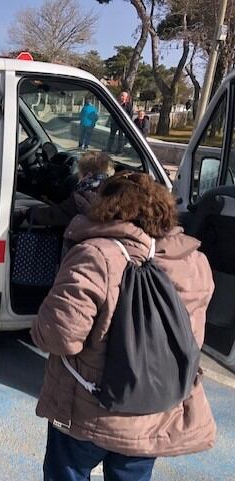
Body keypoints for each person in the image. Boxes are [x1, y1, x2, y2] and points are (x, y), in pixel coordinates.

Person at [31, 172, 216, 481]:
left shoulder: (95, 255)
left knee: (68, 472)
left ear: (107, 206)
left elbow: (60, 337)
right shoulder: (195, 261)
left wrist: (39, 328)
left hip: (88, 408)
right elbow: (192, 335)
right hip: (156, 409)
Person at [26, 151, 114, 227]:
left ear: (87, 175)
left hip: (75, 240)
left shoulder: (81, 196)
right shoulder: (113, 194)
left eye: (79, 172)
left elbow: (54, 216)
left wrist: (29, 213)